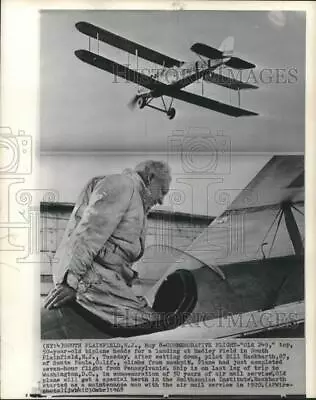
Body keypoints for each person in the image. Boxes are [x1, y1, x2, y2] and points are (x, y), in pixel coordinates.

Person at [41, 160, 172, 339]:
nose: (161, 200)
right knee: (160, 326)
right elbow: (88, 233)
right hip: (94, 288)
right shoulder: (124, 185)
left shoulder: (134, 198)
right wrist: (69, 283)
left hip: (108, 287)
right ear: (150, 178)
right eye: (162, 191)